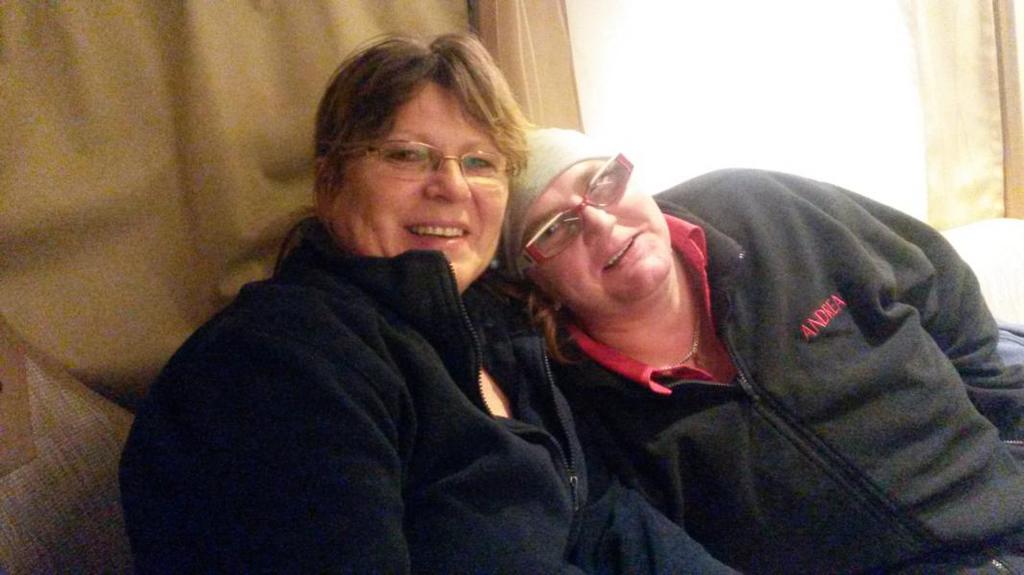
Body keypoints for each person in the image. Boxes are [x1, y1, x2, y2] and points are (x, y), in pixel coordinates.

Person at [118, 35, 739, 574]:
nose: (452, 186)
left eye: (480, 162)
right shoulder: (275, 361)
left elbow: (606, 522)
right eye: (406, 155)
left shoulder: (498, 336)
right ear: (330, 182)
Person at [499, 128, 1024, 574]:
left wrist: (1007, 431)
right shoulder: (573, 406)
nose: (600, 221)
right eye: (555, 230)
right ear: (534, 281)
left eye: (603, 183)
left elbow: (934, 279)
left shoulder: (757, 208)